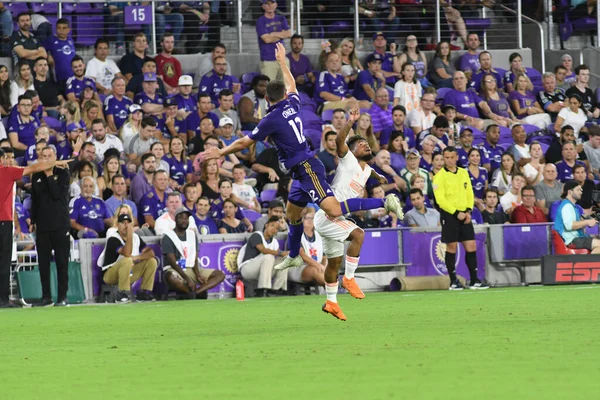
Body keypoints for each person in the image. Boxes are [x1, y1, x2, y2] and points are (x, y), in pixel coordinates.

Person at [202, 43, 402, 272]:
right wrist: (281, 62)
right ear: (284, 95)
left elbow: (245, 141)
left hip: (307, 168)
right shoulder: (292, 103)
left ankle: (385, 201)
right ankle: (295, 255)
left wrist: (220, 151)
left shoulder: (270, 118)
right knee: (292, 214)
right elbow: (292, 83)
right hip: (299, 171)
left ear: (267, 98)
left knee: (334, 210)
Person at [433, 147, 487, 290]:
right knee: (452, 246)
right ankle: (453, 281)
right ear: (444, 158)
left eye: (452, 157)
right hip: (450, 215)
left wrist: (468, 210)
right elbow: (441, 200)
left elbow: (469, 192)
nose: (449, 160)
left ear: (457, 157)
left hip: (465, 214)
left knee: (471, 245)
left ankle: (474, 280)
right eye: (447, 157)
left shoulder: (463, 173)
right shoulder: (439, 177)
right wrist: (456, 213)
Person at [30, 146, 71, 307]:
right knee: (43, 264)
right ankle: (46, 296)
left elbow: (56, 194)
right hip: (43, 227)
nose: (46, 159)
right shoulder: (36, 176)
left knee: (62, 263)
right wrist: (33, 220)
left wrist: (49, 175)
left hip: (60, 225)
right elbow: (35, 199)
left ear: (55, 157)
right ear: (39, 159)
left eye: (49, 156)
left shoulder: (63, 173)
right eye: (43, 156)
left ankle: (62, 297)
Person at [162, 207, 226, 299]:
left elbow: (194, 258)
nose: (184, 221)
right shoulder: (168, 237)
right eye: (181, 218)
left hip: (191, 269)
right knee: (170, 277)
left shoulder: (192, 235)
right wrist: (188, 279)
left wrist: (198, 275)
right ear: (175, 219)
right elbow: (172, 262)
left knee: (220, 274)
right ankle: (188, 292)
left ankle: (197, 292)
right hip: (176, 269)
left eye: (186, 218)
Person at [98, 213, 157, 303]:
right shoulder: (113, 239)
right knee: (127, 260)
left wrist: (137, 257)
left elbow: (151, 253)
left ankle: (144, 292)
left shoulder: (136, 237)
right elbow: (127, 253)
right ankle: (123, 293)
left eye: (128, 223)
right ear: (117, 225)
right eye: (123, 223)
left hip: (128, 271)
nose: (126, 225)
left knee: (152, 261)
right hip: (110, 274)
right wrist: (129, 235)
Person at [237, 216, 288, 297]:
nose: (274, 229)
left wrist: (284, 255)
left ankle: (277, 289)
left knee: (283, 260)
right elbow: (263, 250)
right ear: (266, 225)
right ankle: (263, 289)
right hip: (247, 269)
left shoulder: (274, 242)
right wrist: (282, 253)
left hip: (264, 271)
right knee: (268, 256)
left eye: (276, 228)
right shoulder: (257, 235)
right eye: (272, 226)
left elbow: (278, 254)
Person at [554, 180, 600, 253]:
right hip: (572, 240)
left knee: (597, 237)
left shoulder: (572, 206)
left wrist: (587, 214)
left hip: (576, 238)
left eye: (581, 189)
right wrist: (587, 222)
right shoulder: (567, 206)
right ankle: (589, 264)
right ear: (570, 192)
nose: (581, 192)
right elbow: (570, 225)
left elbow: (576, 221)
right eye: (578, 189)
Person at [288, 208, 327, 286]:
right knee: (314, 270)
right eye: (307, 218)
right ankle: (336, 286)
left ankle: (333, 287)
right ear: (301, 220)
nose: (310, 220)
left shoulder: (319, 235)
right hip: (298, 268)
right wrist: (319, 266)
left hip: (317, 266)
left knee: (329, 264)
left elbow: (324, 256)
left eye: (312, 218)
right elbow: (302, 255)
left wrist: (324, 267)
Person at [256, 0, 291, 82]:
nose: (270, 6)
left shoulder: (281, 18)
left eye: (272, 3)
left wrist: (272, 34)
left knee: (286, 87)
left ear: (276, 5)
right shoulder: (260, 21)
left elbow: (289, 33)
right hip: (268, 60)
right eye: (267, 4)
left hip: (282, 58)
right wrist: (281, 34)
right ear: (263, 6)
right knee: (269, 88)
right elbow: (267, 39)